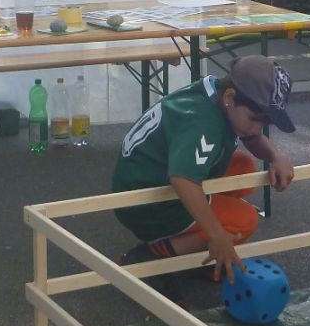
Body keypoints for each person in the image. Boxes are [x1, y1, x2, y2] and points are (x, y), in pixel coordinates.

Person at [112, 55, 297, 283]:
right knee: (244, 221)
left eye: (264, 123)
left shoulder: (216, 92)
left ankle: (197, 247)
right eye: (254, 119)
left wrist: (275, 156)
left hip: (143, 179)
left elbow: (251, 136)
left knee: (244, 167)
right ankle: (151, 257)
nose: (256, 129)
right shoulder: (203, 123)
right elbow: (182, 179)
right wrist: (217, 235)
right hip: (147, 204)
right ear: (230, 98)